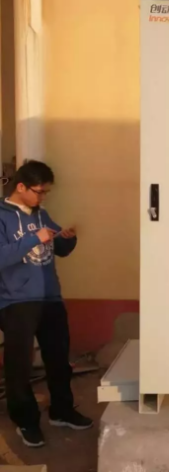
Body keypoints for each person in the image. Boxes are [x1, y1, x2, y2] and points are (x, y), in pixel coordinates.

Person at [0, 160, 92, 448]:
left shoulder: (42, 215)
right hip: (16, 301)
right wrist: (32, 239)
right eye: (39, 191)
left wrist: (68, 239)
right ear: (21, 187)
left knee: (59, 360)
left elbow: (59, 250)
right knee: (19, 366)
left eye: (46, 192)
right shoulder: (2, 216)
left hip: (50, 298)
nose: (42, 197)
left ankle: (61, 411)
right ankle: (26, 421)